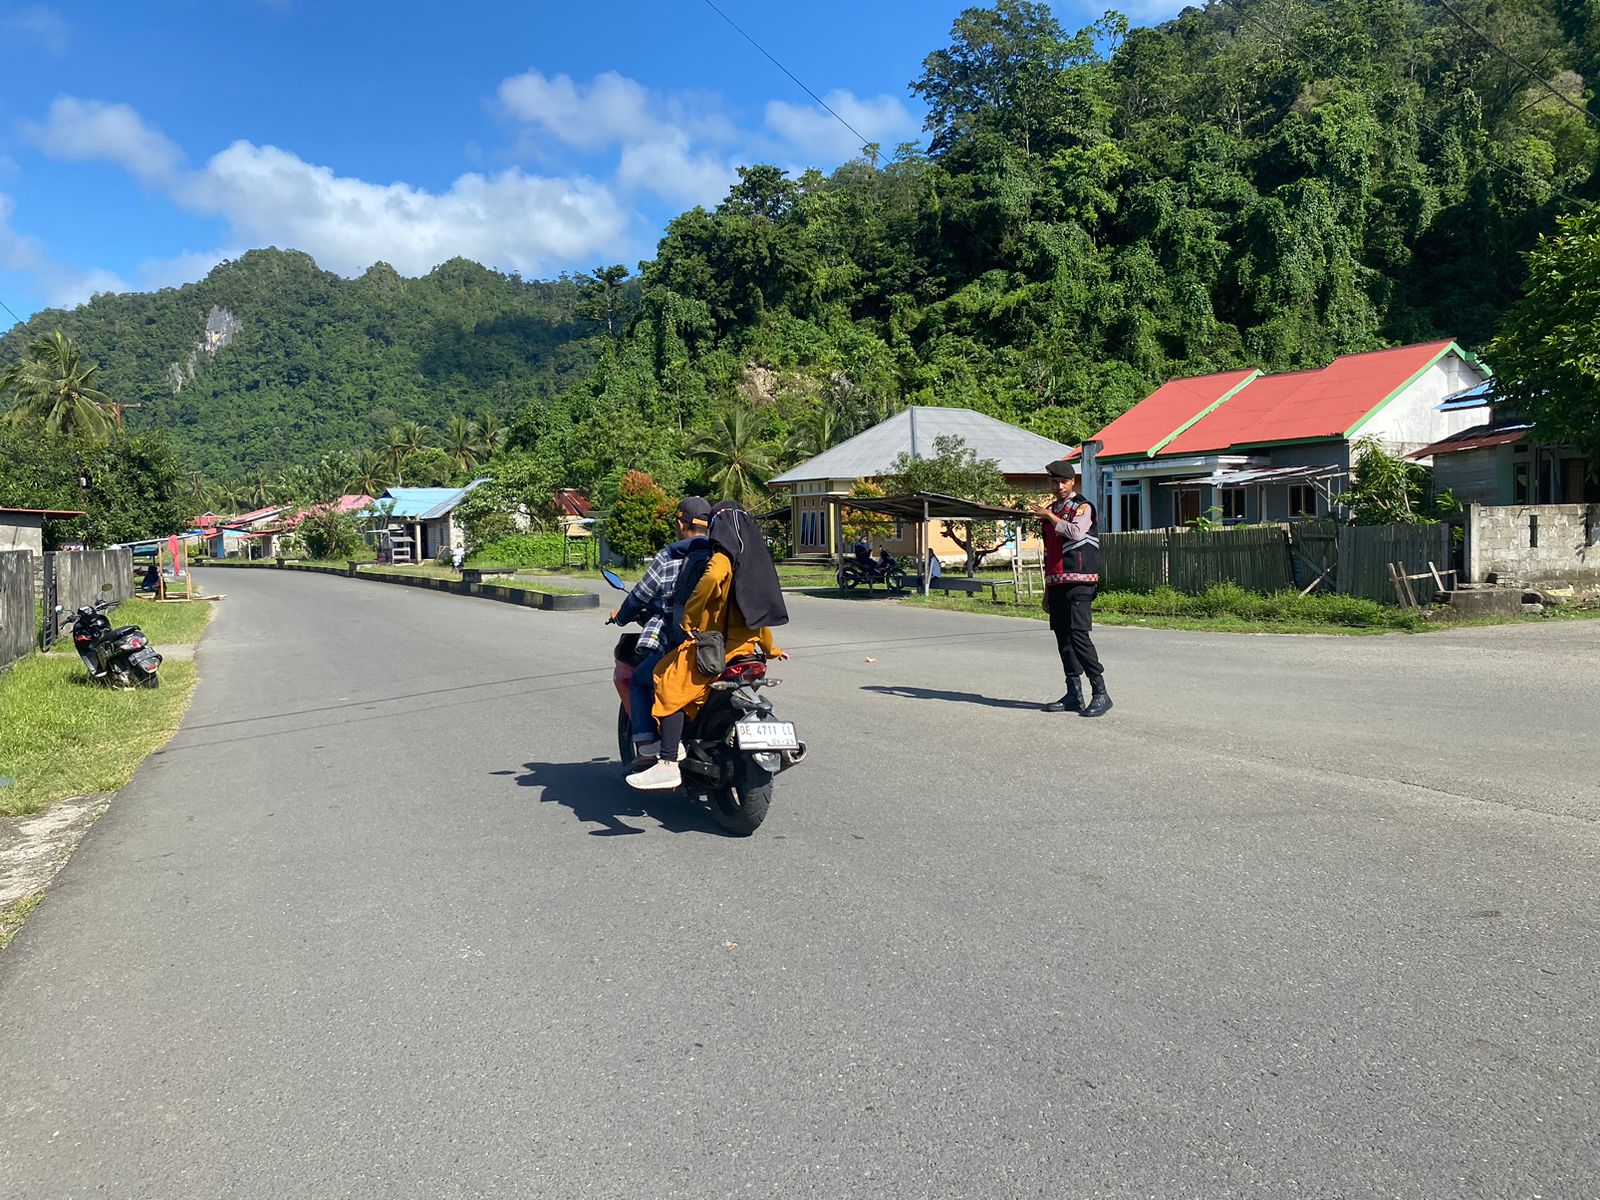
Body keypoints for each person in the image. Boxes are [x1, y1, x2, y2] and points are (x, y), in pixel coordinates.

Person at [628, 503, 789, 791]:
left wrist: (690, 615)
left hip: (714, 647)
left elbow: (713, 577)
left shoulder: (723, 556)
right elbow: (758, 616)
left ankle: (667, 762)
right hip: (747, 649)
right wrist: (772, 649)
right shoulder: (751, 564)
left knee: (667, 681)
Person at [611, 497, 712, 766]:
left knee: (643, 679)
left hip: (682, 642)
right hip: (722, 643)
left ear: (681, 523)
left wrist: (620, 617)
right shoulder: (721, 554)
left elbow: (640, 595)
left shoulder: (671, 555)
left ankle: (647, 746)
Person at [1033, 460, 1111, 717]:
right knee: (1063, 640)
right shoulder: (1050, 511)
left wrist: (1049, 517)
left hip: (1080, 581)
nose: (1058, 486)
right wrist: (1046, 589)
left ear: (1072, 482)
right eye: (1054, 482)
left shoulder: (1082, 507)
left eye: (1063, 481)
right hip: (1056, 583)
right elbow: (1049, 553)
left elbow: (1077, 533)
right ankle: (1073, 694)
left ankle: (1100, 693)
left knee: (1079, 636)